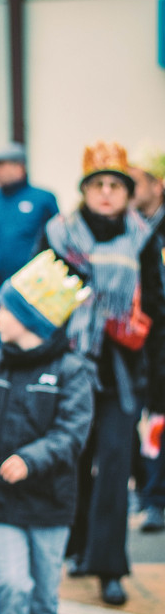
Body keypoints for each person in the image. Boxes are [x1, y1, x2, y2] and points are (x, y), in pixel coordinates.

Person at [37, 141, 152, 606]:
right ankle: (77, 549)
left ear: (127, 193)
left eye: (115, 185)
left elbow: (158, 310)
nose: (106, 193)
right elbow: (40, 299)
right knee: (72, 460)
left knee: (116, 466)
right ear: (84, 190)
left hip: (123, 367)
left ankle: (109, 567)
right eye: (98, 184)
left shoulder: (143, 238)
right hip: (70, 363)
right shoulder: (58, 234)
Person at [0, 251, 94, 614]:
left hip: (51, 504)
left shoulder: (72, 371)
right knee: (12, 585)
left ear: (30, 318)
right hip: (3, 501)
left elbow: (72, 434)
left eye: (4, 309)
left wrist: (30, 459)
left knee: (45, 594)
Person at [0, 143, 60, 355]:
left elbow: (56, 241)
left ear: (19, 167)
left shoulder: (43, 199)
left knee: (31, 348)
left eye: (2, 164)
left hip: (31, 295)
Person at [137, 165, 165, 532]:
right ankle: (151, 492)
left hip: (159, 339)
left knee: (157, 416)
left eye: (136, 183)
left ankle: (155, 497)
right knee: (152, 417)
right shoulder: (140, 229)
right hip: (147, 341)